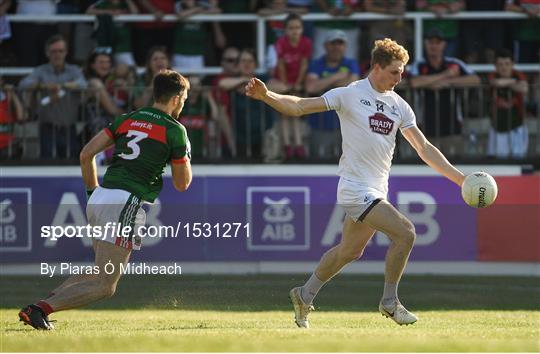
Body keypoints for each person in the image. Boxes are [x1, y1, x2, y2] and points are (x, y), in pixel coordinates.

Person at [245, 38, 466, 327]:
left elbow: (424, 148)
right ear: (376, 67)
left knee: (349, 251)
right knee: (406, 233)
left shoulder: (400, 106)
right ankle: (390, 301)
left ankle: (304, 293)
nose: (401, 77)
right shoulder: (349, 94)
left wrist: (460, 179)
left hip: (376, 190)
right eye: (395, 71)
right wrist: (267, 96)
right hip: (354, 188)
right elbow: (299, 106)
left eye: (402, 71)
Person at [18, 69, 193, 330]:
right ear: (177, 98)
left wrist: (93, 193)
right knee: (106, 284)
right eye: (185, 99)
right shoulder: (175, 130)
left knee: (97, 271)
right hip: (124, 203)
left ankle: (42, 305)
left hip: (100, 197)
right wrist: (184, 155)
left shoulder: (128, 118)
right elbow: (182, 184)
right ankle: (39, 309)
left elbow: (86, 154)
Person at [408, 28, 480, 157]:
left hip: (453, 126)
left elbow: (475, 79)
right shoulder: (419, 64)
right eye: (431, 42)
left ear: (444, 45)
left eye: (437, 42)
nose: (434, 46)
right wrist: (446, 75)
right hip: (425, 127)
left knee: (455, 167)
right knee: (426, 169)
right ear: (425, 44)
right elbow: (414, 82)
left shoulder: (454, 63)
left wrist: (449, 83)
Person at [18, 34, 88, 159]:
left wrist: (62, 85)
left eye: (60, 51)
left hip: (69, 127)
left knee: (71, 166)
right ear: (47, 53)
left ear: (66, 52)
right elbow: (23, 84)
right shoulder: (40, 70)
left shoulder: (74, 70)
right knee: (47, 164)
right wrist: (43, 85)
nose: (57, 55)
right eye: (54, 51)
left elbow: (84, 84)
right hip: (47, 128)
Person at [305, 29, 360, 159]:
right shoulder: (316, 63)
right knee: (317, 163)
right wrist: (338, 76)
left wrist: (324, 84)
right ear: (325, 46)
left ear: (345, 46)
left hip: (346, 127)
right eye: (333, 43)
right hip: (319, 124)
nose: (336, 47)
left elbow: (353, 86)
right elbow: (311, 87)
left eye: (340, 43)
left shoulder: (351, 63)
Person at [274, 13, 312, 160]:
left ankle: (298, 145)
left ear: (302, 29)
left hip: (298, 82)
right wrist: (286, 86)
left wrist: (297, 84)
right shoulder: (281, 43)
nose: (294, 31)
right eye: (291, 28)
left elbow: (304, 65)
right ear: (285, 30)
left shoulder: (306, 43)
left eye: (297, 27)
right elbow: (281, 65)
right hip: (283, 82)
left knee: (295, 113)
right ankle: (287, 146)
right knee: (284, 113)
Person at [487, 49, 529, 159]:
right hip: (497, 128)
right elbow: (495, 82)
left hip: (517, 127)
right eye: (500, 64)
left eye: (507, 64)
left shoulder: (518, 74)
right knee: (497, 164)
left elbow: (524, 88)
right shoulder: (493, 75)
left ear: (512, 64)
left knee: (519, 160)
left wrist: (506, 83)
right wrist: (513, 82)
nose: (504, 67)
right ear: (495, 66)